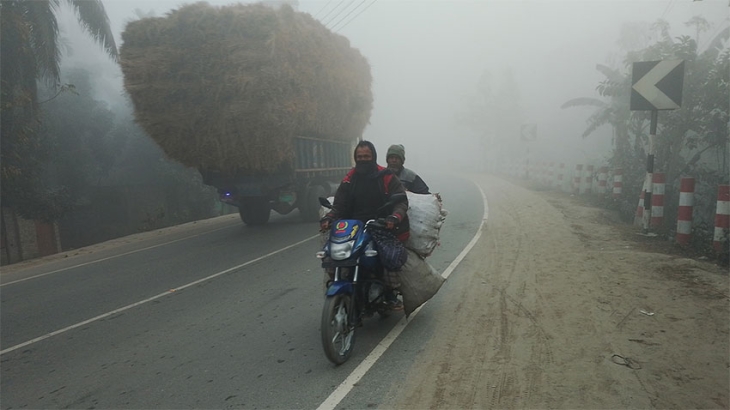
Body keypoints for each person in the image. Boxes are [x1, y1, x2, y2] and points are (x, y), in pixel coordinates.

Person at [320, 140, 409, 310]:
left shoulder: (386, 176)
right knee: (330, 255)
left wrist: (394, 217)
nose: (362, 159)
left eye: (366, 156)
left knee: (389, 257)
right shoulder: (349, 179)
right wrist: (329, 217)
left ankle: (388, 293)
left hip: (380, 226)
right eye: (359, 156)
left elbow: (401, 201)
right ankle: (341, 286)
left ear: (373, 156)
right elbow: (339, 204)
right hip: (352, 227)